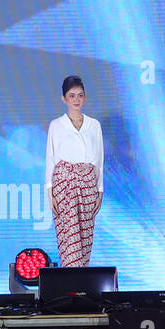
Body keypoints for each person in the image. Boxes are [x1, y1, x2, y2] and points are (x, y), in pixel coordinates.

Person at [45, 75, 104, 267]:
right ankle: (69, 287)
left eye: (80, 95)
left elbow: (99, 160)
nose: (76, 99)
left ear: (85, 97)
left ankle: (82, 285)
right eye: (72, 95)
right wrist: (50, 192)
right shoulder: (56, 125)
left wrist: (100, 190)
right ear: (64, 98)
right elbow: (50, 159)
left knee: (85, 239)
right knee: (69, 239)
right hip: (64, 185)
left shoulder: (94, 125)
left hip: (88, 184)